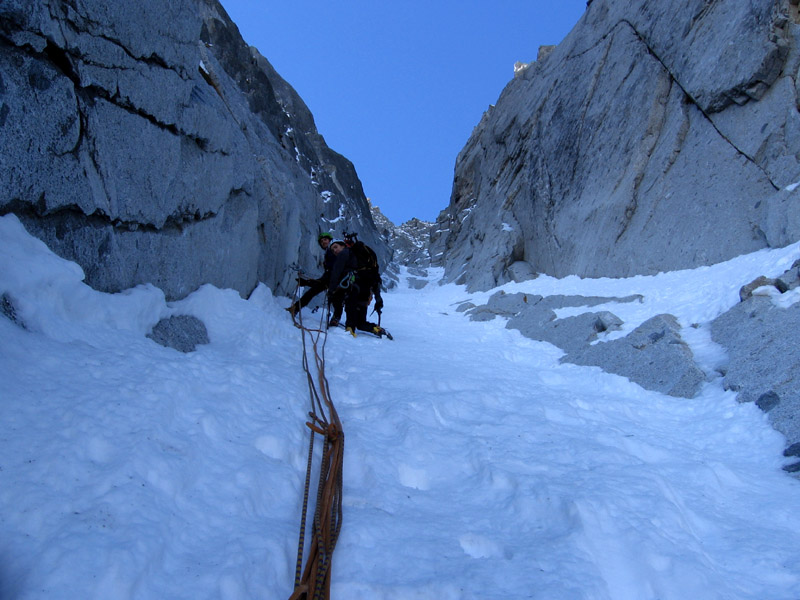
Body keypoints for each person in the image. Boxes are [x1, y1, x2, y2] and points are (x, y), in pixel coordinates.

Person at [326, 239, 388, 338]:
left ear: (343, 245)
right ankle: (375, 328)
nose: (335, 251)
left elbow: (335, 273)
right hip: (366, 288)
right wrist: (378, 298)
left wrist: (331, 291)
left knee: (350, 304)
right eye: (333, 250)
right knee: (360, 323)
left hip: (354, 286)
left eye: (336, 247)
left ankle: (350, 328)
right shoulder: (364, 257)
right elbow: (375, 277)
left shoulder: (345, 253)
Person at [287, 232, 343, 326]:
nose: (323, 242)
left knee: (334, 298)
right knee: (331, 297)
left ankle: (295, 309)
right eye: (321, 241)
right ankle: (335, 318)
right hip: (332, 279)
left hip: (336, 279)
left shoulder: (332, 252)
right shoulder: (329, 253)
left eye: (325, 239)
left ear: (330, 240)